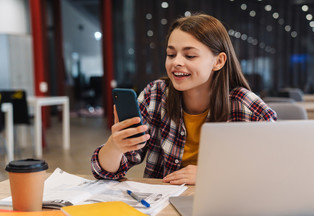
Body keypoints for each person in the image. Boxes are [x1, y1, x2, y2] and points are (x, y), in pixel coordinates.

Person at [91, 13, 277, 185]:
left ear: (218, 61)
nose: (176, 62)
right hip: (165, 206)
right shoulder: (155, 95)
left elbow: (276, 169)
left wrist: (211, 175)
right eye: (171, 54)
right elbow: (104, 174)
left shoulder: (245, 105)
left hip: (225, 206)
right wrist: (114, 147)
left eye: (189, 55)